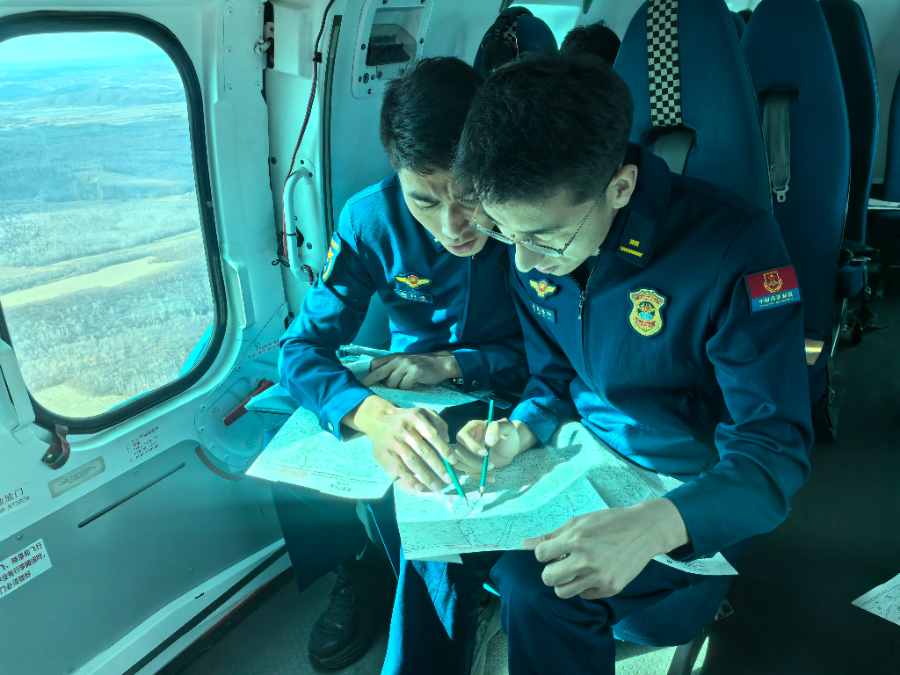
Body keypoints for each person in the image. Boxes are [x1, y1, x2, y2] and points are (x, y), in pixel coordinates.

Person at [382, 52, 813, 675]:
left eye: (543, 239)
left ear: (620, 188)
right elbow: (555, 372)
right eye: (504, 234)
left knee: (540, 591)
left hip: (687, 481)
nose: (524, 263)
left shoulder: (737, 248)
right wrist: (518, 431)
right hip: (580, 456)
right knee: (432, 534)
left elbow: (774, 452)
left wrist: (653, 526)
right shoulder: (530, 226)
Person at [274, 57, 528, 670]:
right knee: (286, 438)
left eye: (467, 196)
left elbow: (560, 356)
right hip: (405, 391)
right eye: (425, 201)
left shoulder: (529, 210)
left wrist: (455, 363)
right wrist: (370, 414)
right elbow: (300, 349)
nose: (452, 226)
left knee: (429, 502)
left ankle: (459, 608)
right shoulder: (369, 220)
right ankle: (361, 568)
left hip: (508, 387)